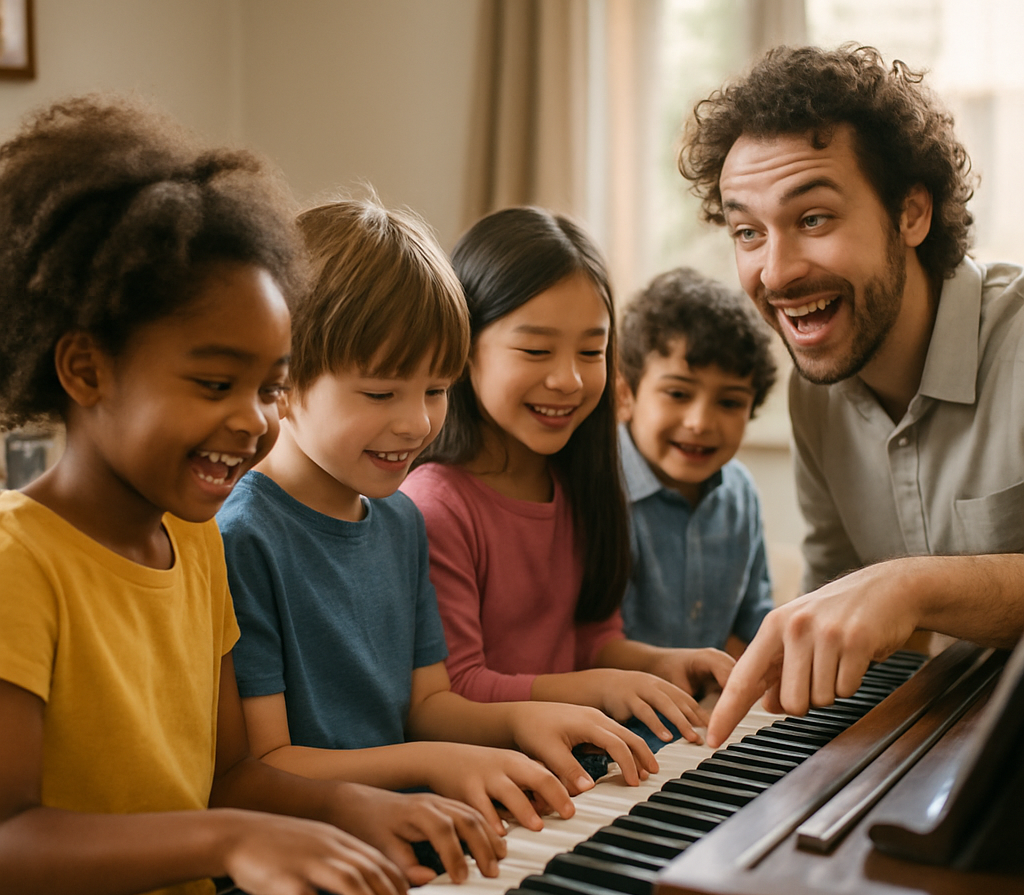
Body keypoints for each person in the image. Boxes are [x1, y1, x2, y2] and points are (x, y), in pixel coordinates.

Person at [0, 98, 505, 895]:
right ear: (85, 372)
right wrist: (234, 839)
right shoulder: (16, 563)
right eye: (212, 383)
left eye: (271, 384)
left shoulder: (195, 540)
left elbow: (237, 775)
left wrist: (360, 811)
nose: (254, 418)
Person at [217, 198, 661, 834]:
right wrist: (439, 762)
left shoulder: (399, 522)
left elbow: (430, 704)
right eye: (381, 393)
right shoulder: (244, 539)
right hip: (306, 843)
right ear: (282, 383)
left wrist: (525, 719)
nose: (419, 422)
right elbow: (268, 765)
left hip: (415, 821)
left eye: (436, 389)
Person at [677, 44, 1024, 746]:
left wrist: (912, 587)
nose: (774, 273)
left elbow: (887, 595)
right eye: (748, 232)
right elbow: (838, 613)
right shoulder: (819, 388)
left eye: (813, 219)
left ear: (912, 215)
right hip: (943, 758)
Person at [402, 207, 734, 750]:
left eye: (591, 351)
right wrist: (600, 689)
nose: (569, 379)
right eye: (536, 350)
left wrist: (660, 663)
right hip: (486, 774)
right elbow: (457, 687)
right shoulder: (437, 505)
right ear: (465, 349)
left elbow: (593, 639)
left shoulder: (577, 482)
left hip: (573, 764)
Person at [616, 267, 776, 658]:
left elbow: (752, 631)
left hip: (709, 710)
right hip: (605, 713)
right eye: (677, 393)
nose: (700, 423)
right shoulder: (594, 486)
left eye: (730, 402)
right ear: (625, 396)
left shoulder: (741, 494)